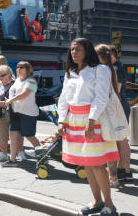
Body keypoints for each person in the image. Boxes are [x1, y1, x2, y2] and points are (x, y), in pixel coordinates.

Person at [58, 38, 119, 216]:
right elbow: (63, 97)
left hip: (94, 120)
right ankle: (97, 201)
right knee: (86, 164)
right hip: (73, 120)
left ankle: (110, 205)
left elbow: (101, 97)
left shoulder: (100, 69)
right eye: (71, 50)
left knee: (97, 164)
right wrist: (62, 120)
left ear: (87, 51)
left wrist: (91, 121)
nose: (73, 53)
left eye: (77, 49)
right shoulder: (70, 72)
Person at [95, 44, 125, 188]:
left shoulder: (102, 69)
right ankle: (113, 177)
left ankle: (109, 177)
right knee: (111, 144)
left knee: (103, 144)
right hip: (112, 109)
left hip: (103, 111)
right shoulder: (111, 69)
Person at [2, 61, 41, 166]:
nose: (19, 69)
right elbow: (14, 95)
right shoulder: (17, 81)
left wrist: (10, 100)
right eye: (18, 67)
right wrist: (7, 101)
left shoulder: (31, 81)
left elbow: (25, 94)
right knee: (13, 135)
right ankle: (12, 159)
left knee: (29, 136)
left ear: (28, 69)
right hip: (15, 112)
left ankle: (42, 155)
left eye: (22, 67)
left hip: (28, 113)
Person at [109, 45, 132, 183]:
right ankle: (124, 170)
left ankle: (124, 170)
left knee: (120, 140)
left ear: (113, 55)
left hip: (118, 107)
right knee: (121, 139)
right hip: (120, 106)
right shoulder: (117, 67)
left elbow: (115, 91)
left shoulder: (116, 68)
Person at [0, 65, 15, 162]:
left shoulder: (15, 84)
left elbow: (19, 99)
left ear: (8, 75)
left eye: (1, 76)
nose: (0, 78)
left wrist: (7, 103)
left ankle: (19, 152)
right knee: (1, 133)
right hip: (0, 112)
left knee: (15, 134)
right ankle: (3, 153)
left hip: (13, 112)